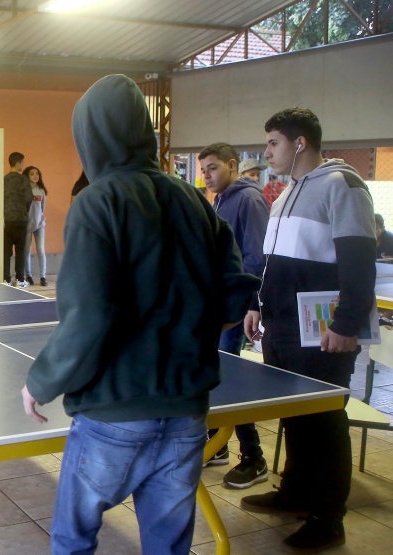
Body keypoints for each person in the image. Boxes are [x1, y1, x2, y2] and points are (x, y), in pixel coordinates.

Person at [21, 75, 258, 554]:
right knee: (168, 548)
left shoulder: (96, 203)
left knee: (73, 540)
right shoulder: (196, 202)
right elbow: (235, 304)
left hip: (114, 414)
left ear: (90, 136)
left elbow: (87, 319)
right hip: (187, 414)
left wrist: (39, 383)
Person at [241, 107, 375, 551]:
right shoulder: (283, 195)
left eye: (273, 143)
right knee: (295, 417)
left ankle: (328, 516)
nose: (267, 152)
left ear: (300, 143)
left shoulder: (344, 186)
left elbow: (358, 262)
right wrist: (257, 306)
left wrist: (346, 323)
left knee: (324, 422)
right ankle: (296, 493)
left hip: (322, 334)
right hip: (281, 329)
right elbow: (274, 266)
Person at [198, 142, 270, 488]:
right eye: (203, 170)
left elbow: (256, 258)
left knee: (232, 379)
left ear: (231, 165)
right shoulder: (223, 199)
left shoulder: (249, 200)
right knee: (217, 375)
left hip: (236, 308)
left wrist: (251, 304)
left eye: (212, 168)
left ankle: (254, 457)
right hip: (219, 305)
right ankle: (218, 445)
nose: (206, 176)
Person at [4, 152, 31, 287]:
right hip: (21, 219)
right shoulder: (24, 180)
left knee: (6, 251)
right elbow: (28, 198)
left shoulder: (4, 180)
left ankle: (6, 279)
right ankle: (20, 279)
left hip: (7, 220)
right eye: (23, 162)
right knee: (20, 251)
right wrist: (24, 210)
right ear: (18, 163)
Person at [23, 166, 48, 287]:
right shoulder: (24, 190)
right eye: (32, 174)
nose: (35, 176)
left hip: (39, 225)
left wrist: (39, 220)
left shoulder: (41, 190)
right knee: (26, 251)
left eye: (37, 174)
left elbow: (42, 208)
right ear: (27, 176)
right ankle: (28, 275)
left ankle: (43, 276)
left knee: (41, 250)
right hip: (27, 225)